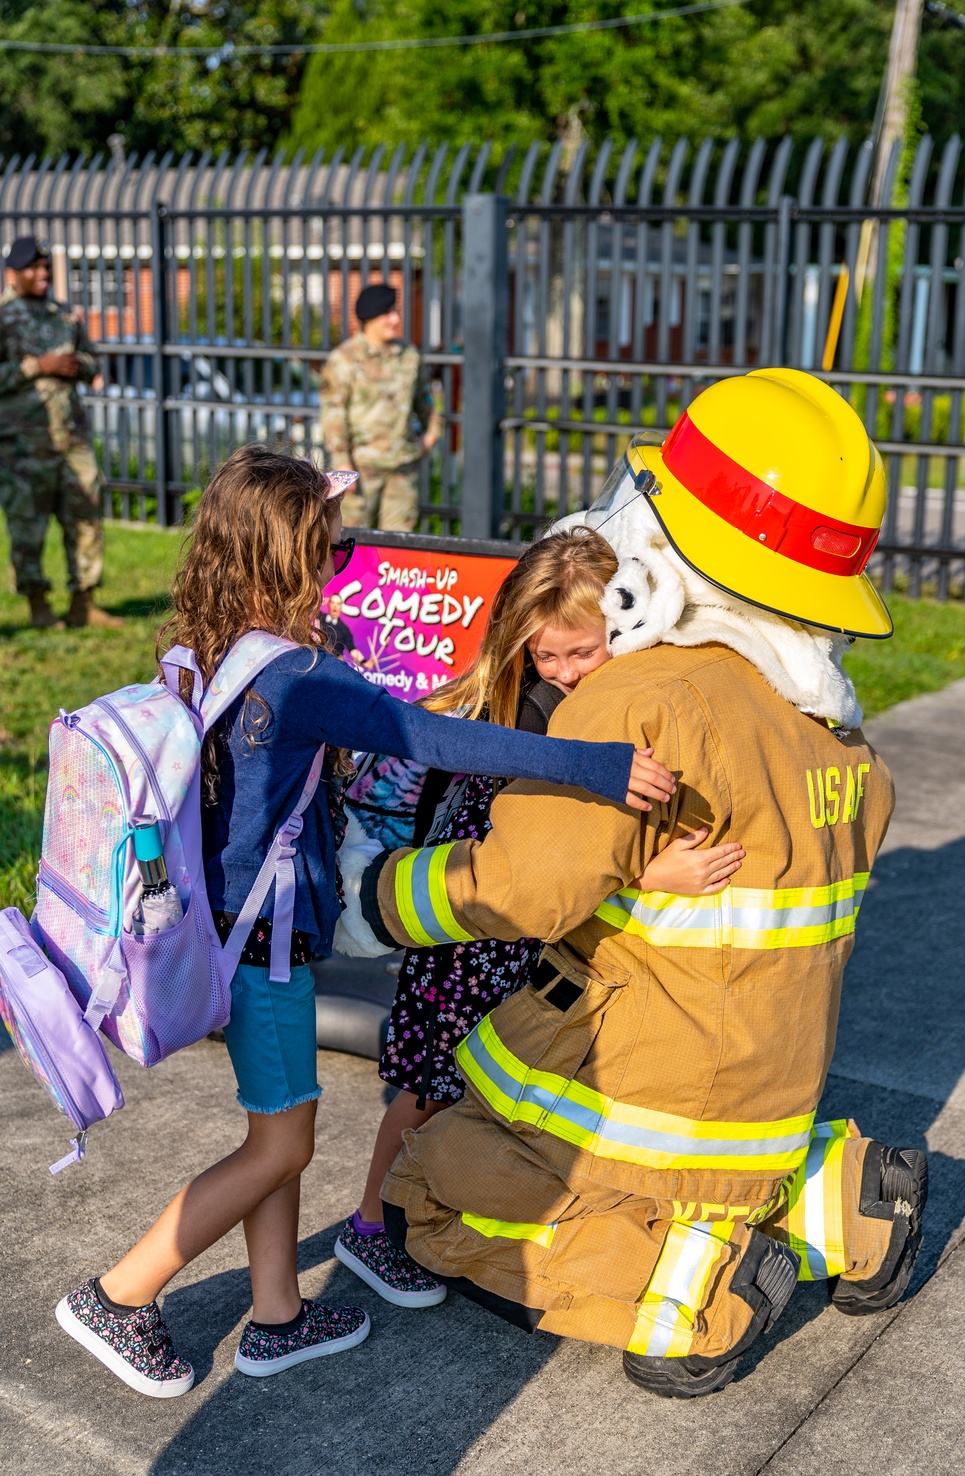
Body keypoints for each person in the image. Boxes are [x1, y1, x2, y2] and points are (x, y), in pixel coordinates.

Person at [344, 368, 929, 1400]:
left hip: (640, 1080)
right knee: (690, 1174)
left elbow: (520, 888)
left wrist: (373, 895)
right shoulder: (834, 733)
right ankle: (841, 1202)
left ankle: (695, 1287)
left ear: (665, 559)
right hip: (769, 1098)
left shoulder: (645, 697)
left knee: (424, 1192)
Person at [52, 445, 676, 1398]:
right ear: (285, 551)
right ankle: (119, 1294)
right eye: (326, 540)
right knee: (282, 1144)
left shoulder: (203, 646)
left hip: (231, 934)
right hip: (266, 948)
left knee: (276, 1120)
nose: (340, 552)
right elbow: (429, 735)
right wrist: (595, 765)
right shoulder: (298, 673)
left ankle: (276, 1317)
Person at [335, 527, 745, 1307]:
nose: (561, 672)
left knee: (484, 1088)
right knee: (432, 1086)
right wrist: (654, 871)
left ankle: (429, 1209)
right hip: (477, 933)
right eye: (545, 656)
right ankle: (368, 1225)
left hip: (514, 935)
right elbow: (553, 858)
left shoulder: (617, 698)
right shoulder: (533, 714)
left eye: (579, 653)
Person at [0, 235, 119, 629]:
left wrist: (76, 364)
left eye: (46, 267)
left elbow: (92, 362)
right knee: (27, 524)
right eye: (34, 268)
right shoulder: (3, 316)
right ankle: (38, 605)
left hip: (73, 439)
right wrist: (39, 365)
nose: (43, 274)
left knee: (85, 516)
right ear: (13, 274)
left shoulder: (64, 314)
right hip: (22, 444)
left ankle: (84, 601)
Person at [320, 282, 440, 533]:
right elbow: (333, 415)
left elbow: (425, 402)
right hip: (361, 471)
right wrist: (342, 461)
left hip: (402, 468)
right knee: (352, 539)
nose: (396, 319)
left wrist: (430, 437)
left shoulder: (409, 356)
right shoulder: (344, 359)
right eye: (388, 313)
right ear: (370, 318)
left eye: (395, 312)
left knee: (400, 545)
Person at [322, 591, 371, 667]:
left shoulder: (344, 629)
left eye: (338, 604)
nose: (335, 606)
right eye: (333, 602)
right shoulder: (319, 618)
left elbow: (352, 649)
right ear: (329, 605)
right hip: (320, 659)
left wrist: (365, 662)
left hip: (336, 663)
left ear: (341, 607)